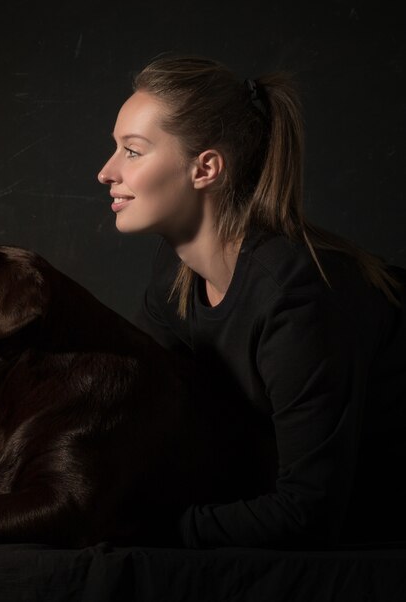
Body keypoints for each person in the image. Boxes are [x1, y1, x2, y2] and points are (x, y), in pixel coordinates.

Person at [97, 55, 406, 549]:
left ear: (206, 168)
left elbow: (309, 512)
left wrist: (153, 529)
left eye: (132, 151)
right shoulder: (174, 275)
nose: (106, 172)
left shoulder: (295, 296)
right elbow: (128, 394)